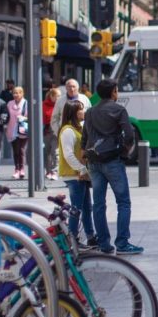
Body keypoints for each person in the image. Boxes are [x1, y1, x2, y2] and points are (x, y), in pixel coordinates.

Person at [84, 78, 143, 255]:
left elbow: (85, 135)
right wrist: (125, 152)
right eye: (117, 90)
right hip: (113, 161)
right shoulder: (119, 110)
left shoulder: (90, 111)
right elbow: (130, 135)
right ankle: (123, 243)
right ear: (113, 93)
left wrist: (83, 151)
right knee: (123, 202)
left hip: (94, 160)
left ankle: (104, 244)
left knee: (98, 204)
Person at [58, 100, 97, 250]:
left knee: (87, 208)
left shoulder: (78, 128)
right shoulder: (68, 130)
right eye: (81, 109)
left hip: (81, 175)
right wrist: (81, 169)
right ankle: (72, 239)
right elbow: (68, 154)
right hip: (74, 176)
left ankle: (91, 237)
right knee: (76, 209)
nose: (84, 111)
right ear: (74, 112)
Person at [6, 85, 29, 180]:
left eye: (18, 93)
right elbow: (7, 115)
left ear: (22, 93)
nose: (16, 95)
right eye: (14, 93)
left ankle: (22, 169)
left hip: (23, 128)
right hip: (12, 129)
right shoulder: (9, 104)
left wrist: (24, 118)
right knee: (15, 150)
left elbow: (30, 116)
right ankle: (16, 169)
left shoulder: (26, 103)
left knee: (22, 150)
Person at [42, 87, 60, 181]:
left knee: (55, 152)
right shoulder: (44, 105)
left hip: (57, 130)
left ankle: (55, 171)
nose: (59, 98)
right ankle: (48, 171)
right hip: (47, 130)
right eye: (57, 96)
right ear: (52, 96)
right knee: (47, 152)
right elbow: (42, 118)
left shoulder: (61, 104)